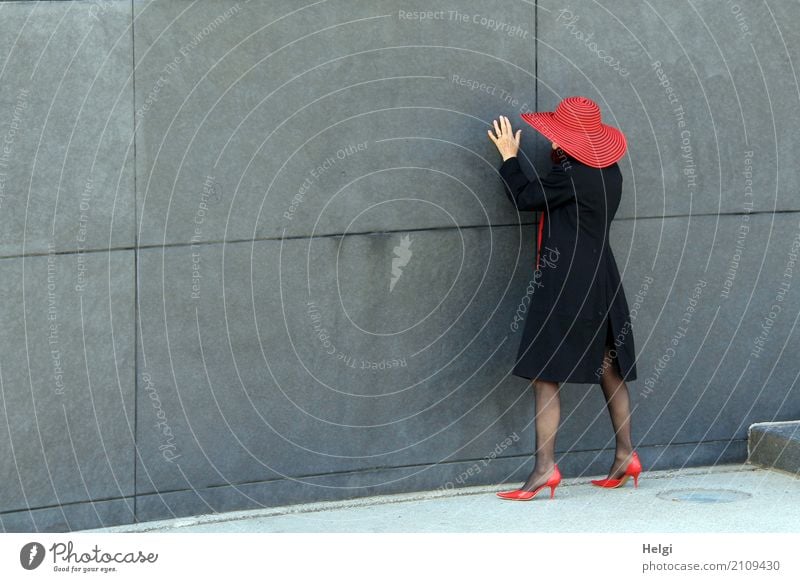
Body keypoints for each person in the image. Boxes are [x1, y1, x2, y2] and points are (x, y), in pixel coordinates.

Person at [487, 96, 642, 500]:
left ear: (564, 139)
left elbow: (525, 198)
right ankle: (626, 455)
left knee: (545, 373)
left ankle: (543, 470)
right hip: (603, 276)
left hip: (567, 280)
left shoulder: (570, 174)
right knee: (610, 367)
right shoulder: (610, 172)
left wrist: (509, 157)